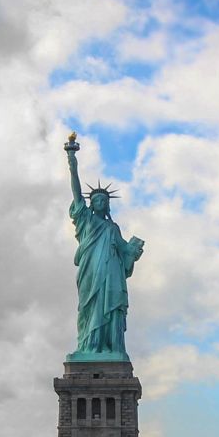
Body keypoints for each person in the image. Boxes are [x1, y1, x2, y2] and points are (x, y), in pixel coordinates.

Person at [65, 134, 144, 359]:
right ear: (91, 204)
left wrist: (134, 249)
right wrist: (72, 161)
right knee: (89, 308)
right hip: (91, 271)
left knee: (110, 307)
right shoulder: (86, 220)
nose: (100, 203)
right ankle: (88, 347)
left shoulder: (113, 228)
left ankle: (111, 348)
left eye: (104, 201)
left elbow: (125, 251)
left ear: (107, 205)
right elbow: (76, 192)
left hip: (111, 274)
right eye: (96, 200)